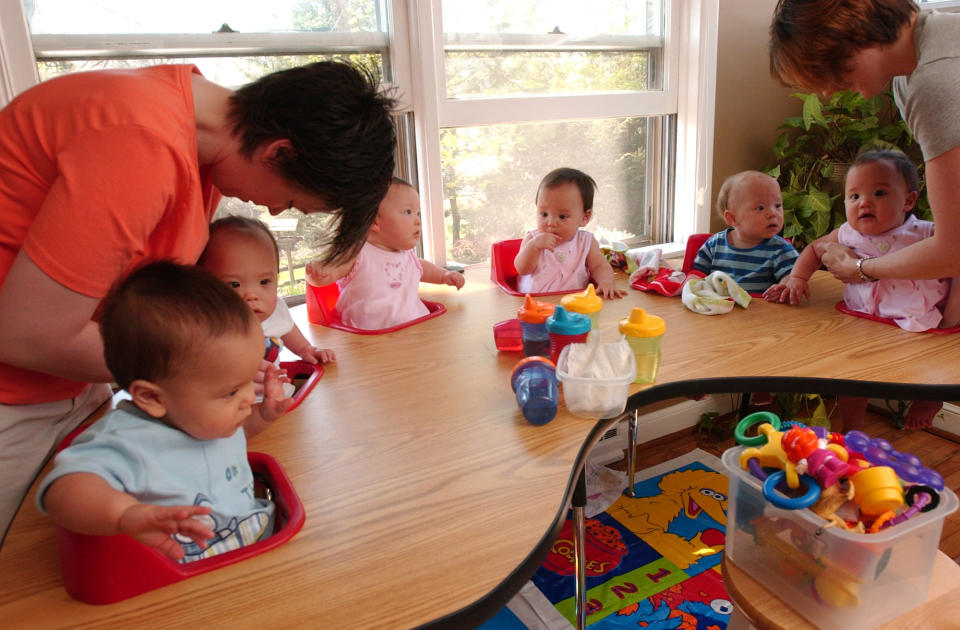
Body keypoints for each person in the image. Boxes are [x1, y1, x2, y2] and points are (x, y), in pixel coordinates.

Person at [0, 60, 396, 543]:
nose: (273, 210)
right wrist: (201, 374)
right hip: (14, 399)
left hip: (74, 382)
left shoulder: (199, 136)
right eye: (290, 201)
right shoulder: (140, 140)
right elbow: (27, 334)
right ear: (279, 152)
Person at [35, 261, 293, 562]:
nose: (249, 397)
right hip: (187, 576)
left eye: (249, 381)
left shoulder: (204, 416)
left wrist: (263, 416)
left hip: (252, 541)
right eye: (232, 391)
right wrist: (124, 514)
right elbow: (63, 490)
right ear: (152, 398)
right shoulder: (128, 440)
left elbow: (234, 434)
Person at [769, 1, 960, 287]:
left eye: (828, 68)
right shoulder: (907, 75)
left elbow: (952, 252)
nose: (827, 90)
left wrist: (860, 268)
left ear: (855, 31)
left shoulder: (935, 81)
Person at [766, 149, 959, 430]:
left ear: (908, 201)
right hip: (863, 321)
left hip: (920, 325)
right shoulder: (848, 233)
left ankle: (930, 399)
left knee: (927, 372)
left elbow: (952, 257)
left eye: (879, 193)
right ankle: (852, 425)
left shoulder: (927, 234)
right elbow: (815, 248)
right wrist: (797, 278)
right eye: (854, 196)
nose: (864, 202)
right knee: (852, 380)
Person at [199, 216, 336, 396]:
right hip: (231, 407)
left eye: (264, 281)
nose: (252, 295)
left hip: (278, 394)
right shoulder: (204, 326)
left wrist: (307, 350)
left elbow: (288, 330)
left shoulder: (274, 310)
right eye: (234, 285)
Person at [305, 178, 466, 330]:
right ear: (375, 221)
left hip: (414, 326)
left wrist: (444, 275)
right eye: (408, 211)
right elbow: (333, 270)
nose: (417, 220)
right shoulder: (358, 253)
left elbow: (421, 267)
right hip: (368, 339)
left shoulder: (406, 254)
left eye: (418, 214)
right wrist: (319, 273)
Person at [514, 167, 627, 299]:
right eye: (544, 214)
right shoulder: (533, 239)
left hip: (574, 303)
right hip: (534, 303)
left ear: (585, 217)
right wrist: (534, 247)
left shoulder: (586, 242)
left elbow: (599, 266)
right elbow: (521, 269)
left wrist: (606, 282)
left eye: (562, 216)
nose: (551, 222)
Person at [691, 170, 799, 294]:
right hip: (720, 308)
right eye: (760, 208)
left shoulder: (781, 249)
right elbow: (698, 274)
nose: (773, 213)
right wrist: (691, 282)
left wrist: (785, 286)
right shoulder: (714, 244)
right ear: (732, 218)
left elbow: (793, 278)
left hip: (760, 311)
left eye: (778, 205)